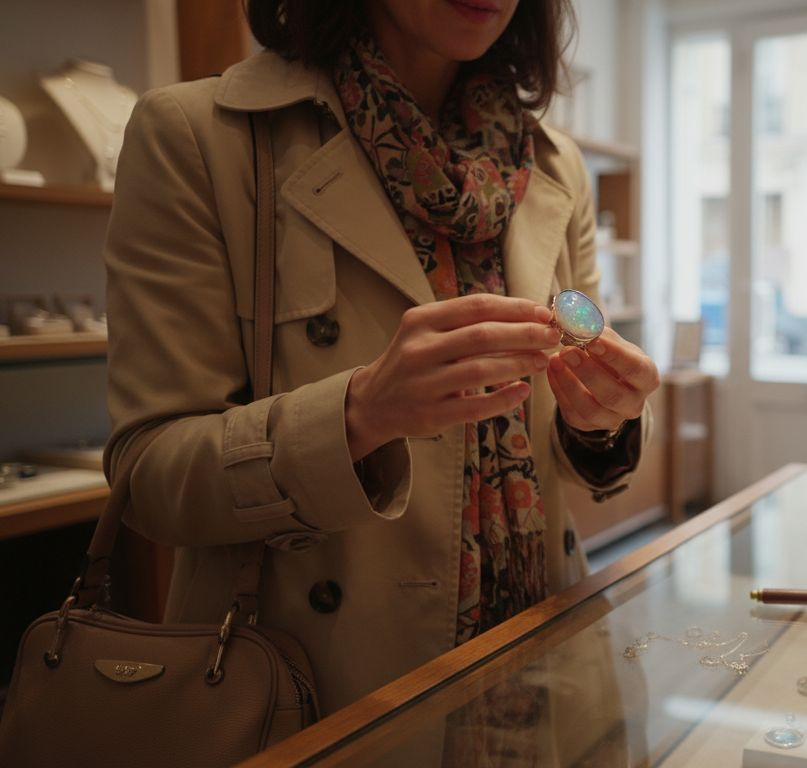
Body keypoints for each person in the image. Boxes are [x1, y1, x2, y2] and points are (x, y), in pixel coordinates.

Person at [103, 0, 658, 741]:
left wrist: (601, 421)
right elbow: (148, 474)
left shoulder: (551, 163)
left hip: (538, 667)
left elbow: (563, 431)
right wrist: (358, 415)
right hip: (328, 692)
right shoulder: (204, 137)